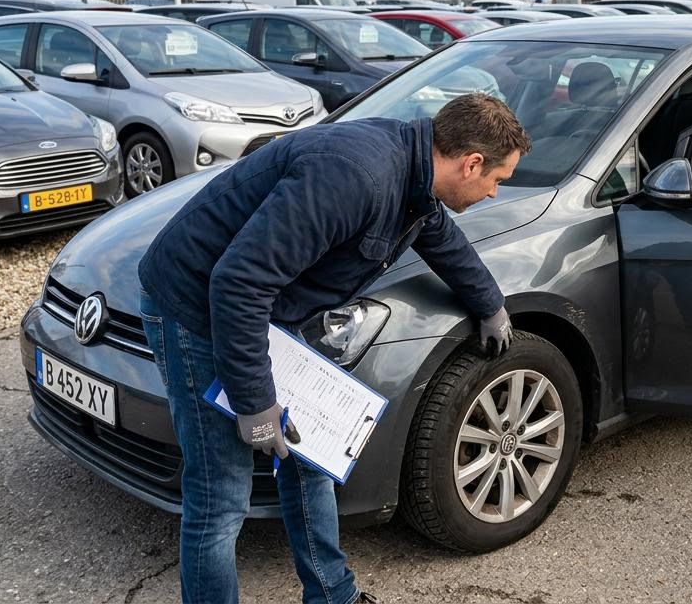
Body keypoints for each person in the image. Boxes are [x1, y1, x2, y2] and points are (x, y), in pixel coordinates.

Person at [136, 93, 530, 604]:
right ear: (470, 163)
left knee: (311, 460)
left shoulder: (414, 175)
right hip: (197, 308)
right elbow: (238, 283)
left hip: (266, 311)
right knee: (221, 497)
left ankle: (332, 594)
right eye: (497, 180)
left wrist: (490, 304)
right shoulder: (355, 176)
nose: (495, 193)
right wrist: (255, 403)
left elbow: (437, 234)